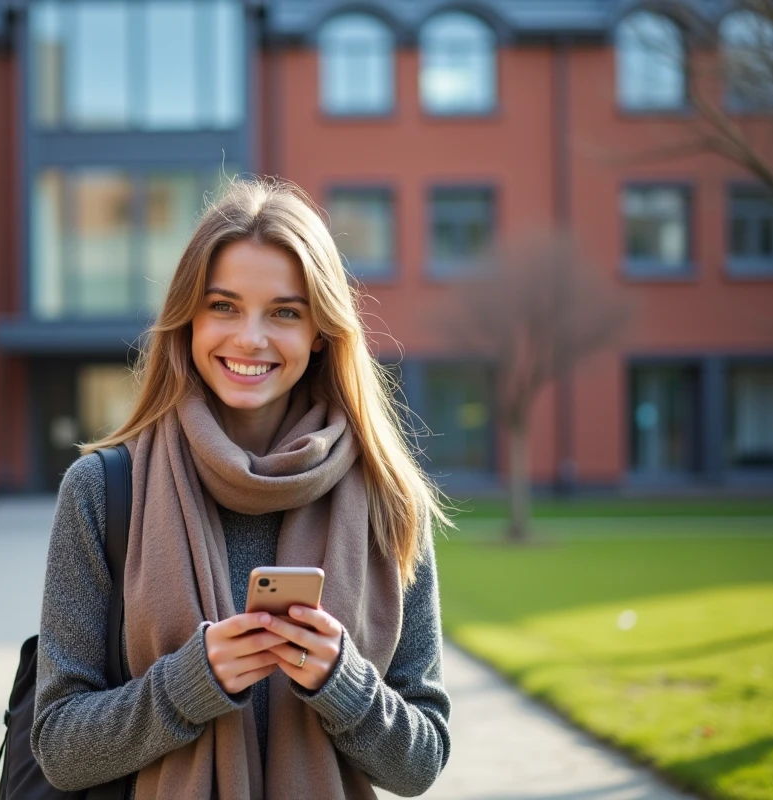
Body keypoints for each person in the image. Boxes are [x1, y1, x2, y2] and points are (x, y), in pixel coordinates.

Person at [31, 177, 455, 799]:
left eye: (284, 312)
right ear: (188, 319)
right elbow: (58, 748)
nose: (249, 338)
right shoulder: (101, 490)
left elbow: (421, 765)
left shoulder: (386, 497)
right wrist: (191, 683)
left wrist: (343, 682)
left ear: (320, 332)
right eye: (223, 306)